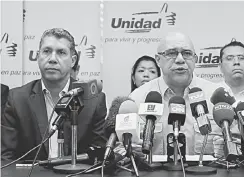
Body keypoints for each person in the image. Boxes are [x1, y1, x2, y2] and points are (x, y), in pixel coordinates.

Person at [1, 28, 108, 161]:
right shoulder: (17, 99)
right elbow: (5, 158)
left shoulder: (93, 100)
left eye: (61, 52)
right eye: (46, 51)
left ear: (73, 61)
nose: (52, 59)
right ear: (38, 56)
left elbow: (99, 158)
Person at [129, 32, 221, 155]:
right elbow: (121, 147)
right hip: (153, 173)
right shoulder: (138, 98)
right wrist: (131, 151)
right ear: (158, 60)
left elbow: (237, 143)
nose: (180, 60)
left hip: (206, 172)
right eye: (171, 53)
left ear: (195, 59)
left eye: (187, 53)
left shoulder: (215, 95)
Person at [218, 41, 244, 105]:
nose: (236, 62)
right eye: (229, 58)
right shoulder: (211, 93)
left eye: (241, 58)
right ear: (220, 66)